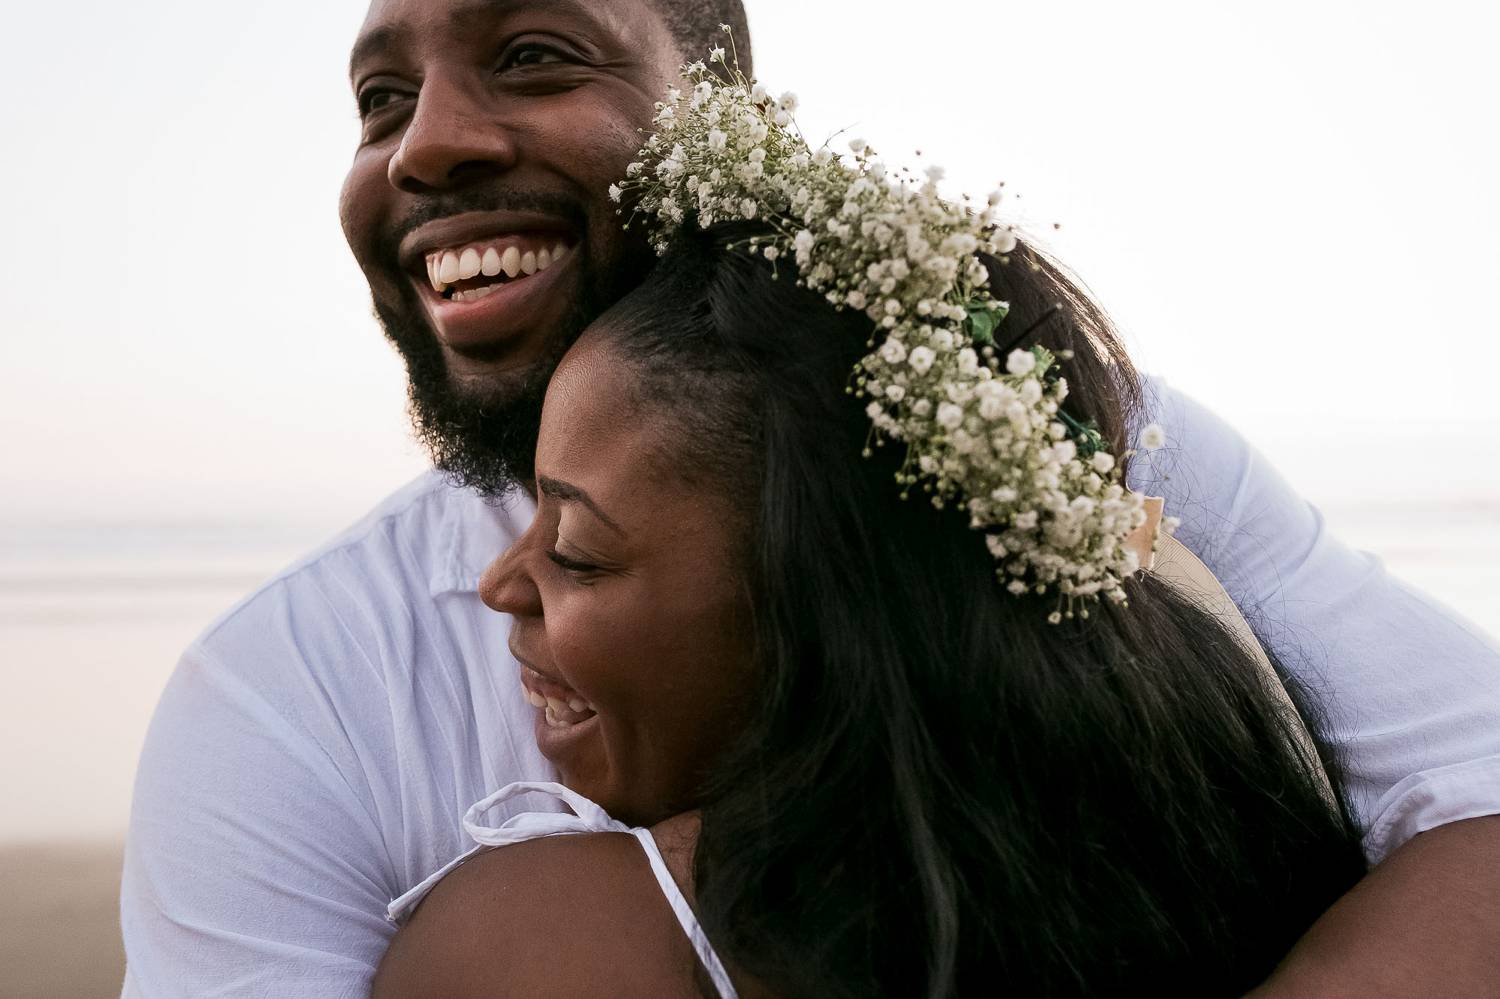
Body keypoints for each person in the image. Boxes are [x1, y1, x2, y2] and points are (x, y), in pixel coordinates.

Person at [120, 0, 1500, 996]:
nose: (423, 148)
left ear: (741, 124)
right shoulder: (281, 695)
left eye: (534, 52)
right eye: (379, 102)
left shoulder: (1062, 432)